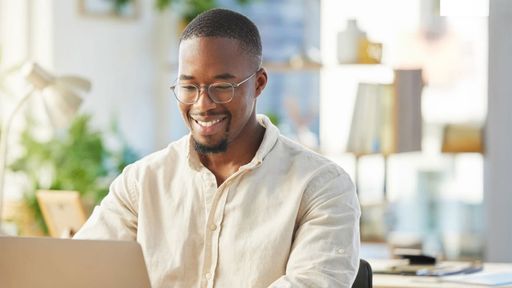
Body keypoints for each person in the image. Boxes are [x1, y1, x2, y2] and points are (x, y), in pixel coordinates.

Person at [74, 8, 361, 288]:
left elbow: (312, 283)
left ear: (259, 84)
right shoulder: (141, 182)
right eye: (189, 87)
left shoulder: (322, 186)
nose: (202, 104)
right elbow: (80, 271)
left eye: (222, 86)